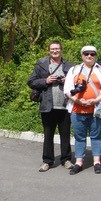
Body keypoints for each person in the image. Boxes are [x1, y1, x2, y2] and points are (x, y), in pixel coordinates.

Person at [27, 41, 74, 172]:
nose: (55, 51)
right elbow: (31, 82)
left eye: (57, 49)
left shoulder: (70, 66)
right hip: (48, 105)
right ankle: (47, 161)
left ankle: (66, 160)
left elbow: (78, 83)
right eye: (52, 49)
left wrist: (68, 81)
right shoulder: (42, 66)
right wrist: (46, 81)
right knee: (48, 134)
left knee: (65, 134)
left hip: (65, 105)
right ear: (49, 51)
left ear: (61, 50)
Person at [64, 45, 101, 175]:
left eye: (92, 54)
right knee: (79, 137)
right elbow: (67, 89)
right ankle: (79, 161)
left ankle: (97, 161)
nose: (89, 56)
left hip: (96, 108)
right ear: (82, 55)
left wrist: (95, 100)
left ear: (96, 56)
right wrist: (76, 100)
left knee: (96, 136)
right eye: (86, 54)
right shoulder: (74, 70)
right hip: (77, 108)